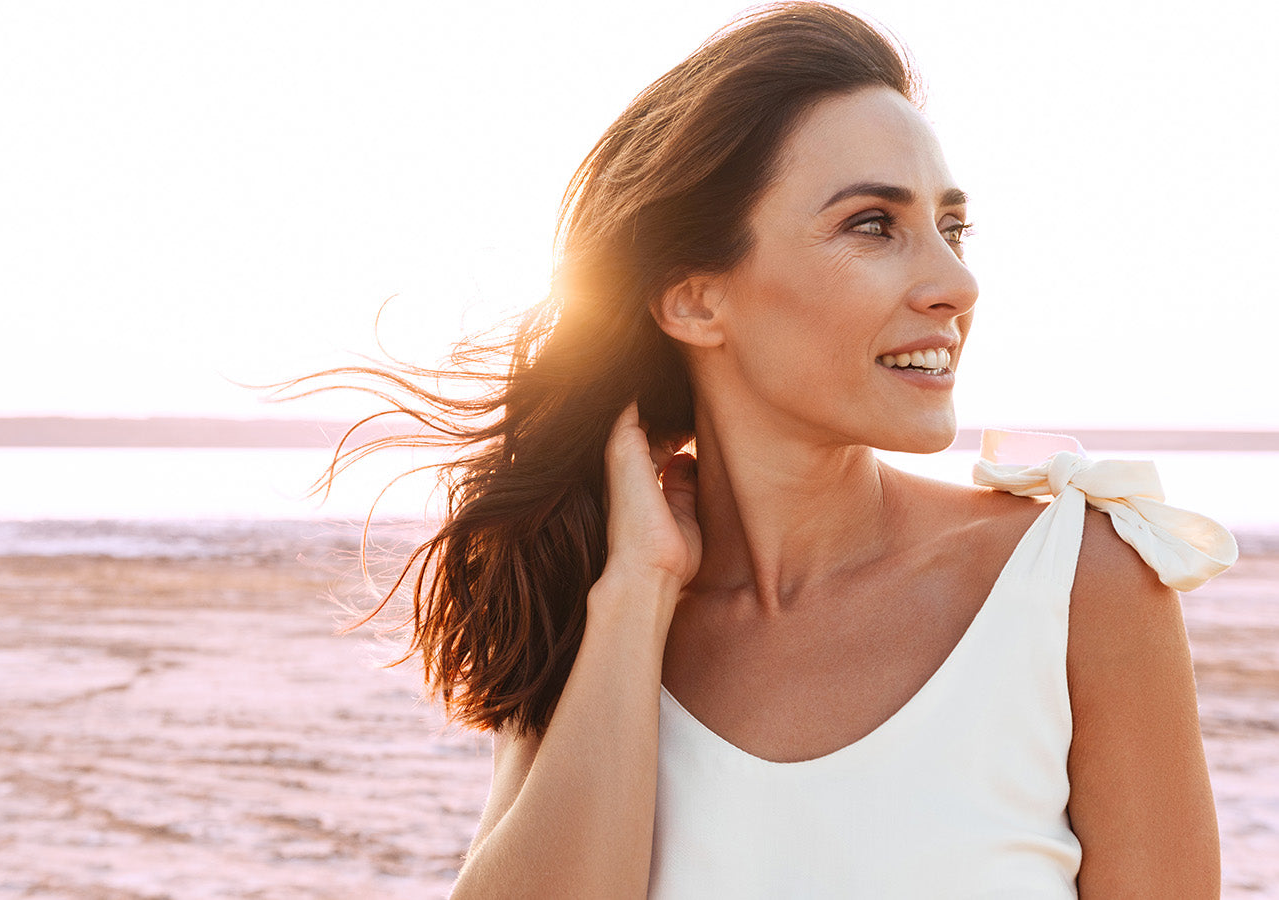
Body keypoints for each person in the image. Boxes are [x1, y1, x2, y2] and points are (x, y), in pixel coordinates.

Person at [308, 3, 1237, 895]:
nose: (957, 282)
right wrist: (635, 597)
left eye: (951, 227)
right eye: (873, 224)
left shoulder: (1079, 582)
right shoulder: (597, 612)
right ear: (696, 300)